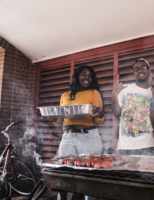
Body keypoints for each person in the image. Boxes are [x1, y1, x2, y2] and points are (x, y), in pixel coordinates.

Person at [52, 65, 104, 200]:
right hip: (68, 136)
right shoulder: (64, 96)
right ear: (77, 76)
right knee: (63, 172)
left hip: (89, 136)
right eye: (84, 74)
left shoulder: (94, 93)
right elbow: (60, 120)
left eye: (90, 75)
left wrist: (99, 114)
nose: (87, 77)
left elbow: (99, 120)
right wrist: (53, 119)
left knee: (89, 177)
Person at [111, 58, 154, 156]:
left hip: (148, 147)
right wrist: (113, 96)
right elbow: (117, 114)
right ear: (134, 72)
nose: (140, 71)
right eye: (136, 69)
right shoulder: (124, 89)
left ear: (149, 70)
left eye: (143, 67)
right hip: (124, 148)